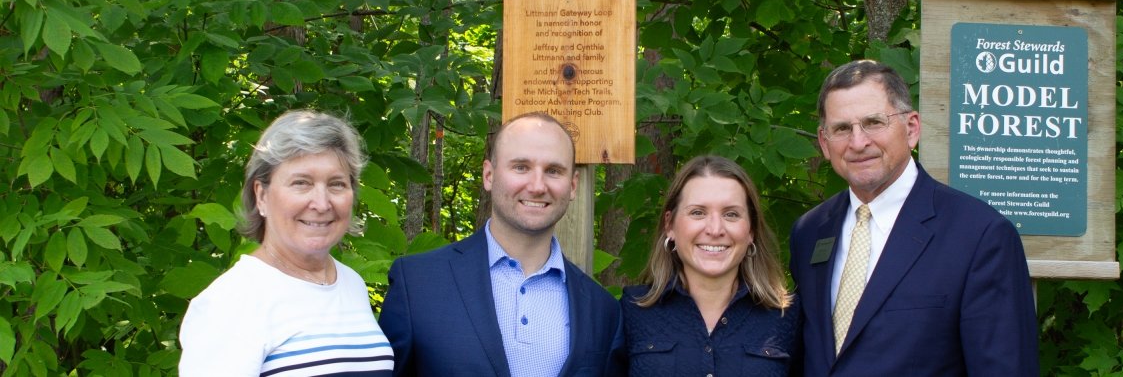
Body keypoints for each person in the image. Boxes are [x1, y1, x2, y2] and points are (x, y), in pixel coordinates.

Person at [789, 59, 1038, 375]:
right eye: (841, 129)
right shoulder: (809, 232)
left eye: (874, 122)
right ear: (824, 143)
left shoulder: (980, 236)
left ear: (911, 128)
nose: (858, 142)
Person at [378, 112, 624, 377]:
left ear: (572, 185)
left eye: (553, 171)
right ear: (488, 175)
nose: (537, 185)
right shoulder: (418, 284)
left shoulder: (603, 311)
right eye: (521, 167)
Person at [179, 110, 393, 376]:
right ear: (262, 196)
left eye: (336, 184)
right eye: (301, 183)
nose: (321, 203)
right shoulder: (231, 301)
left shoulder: (351, 284)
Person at [622, 155, 800, 376]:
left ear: (751, 230)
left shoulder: (787, 317)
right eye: (698, 212)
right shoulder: (631, 311)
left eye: (731, 214)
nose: (715, 229)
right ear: (670, 225)